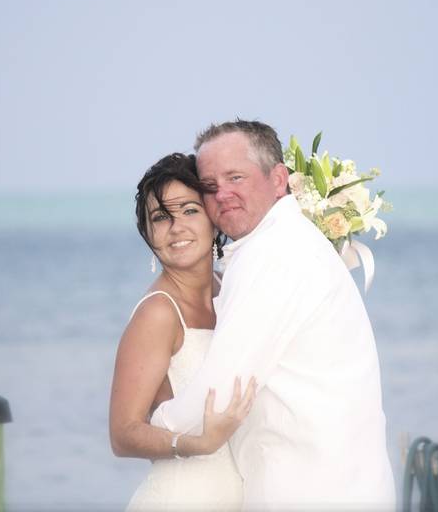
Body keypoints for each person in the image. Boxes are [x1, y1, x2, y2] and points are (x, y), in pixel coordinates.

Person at [149, 120, 396, 509]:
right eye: (210, 186)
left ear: (279, 179)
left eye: (236, 177)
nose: (222, 194)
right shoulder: (285, 242)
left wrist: (154, 427)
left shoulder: (272, 254)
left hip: (311, 492)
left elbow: (220, 394)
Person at [109, 153, 256, 510]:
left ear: (213, 218)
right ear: (148, 234)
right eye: (161, 217)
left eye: (190, 210)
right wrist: (197, 445)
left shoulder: (234, 290)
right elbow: (122, 433)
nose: (177, 228)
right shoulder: (158, 313)